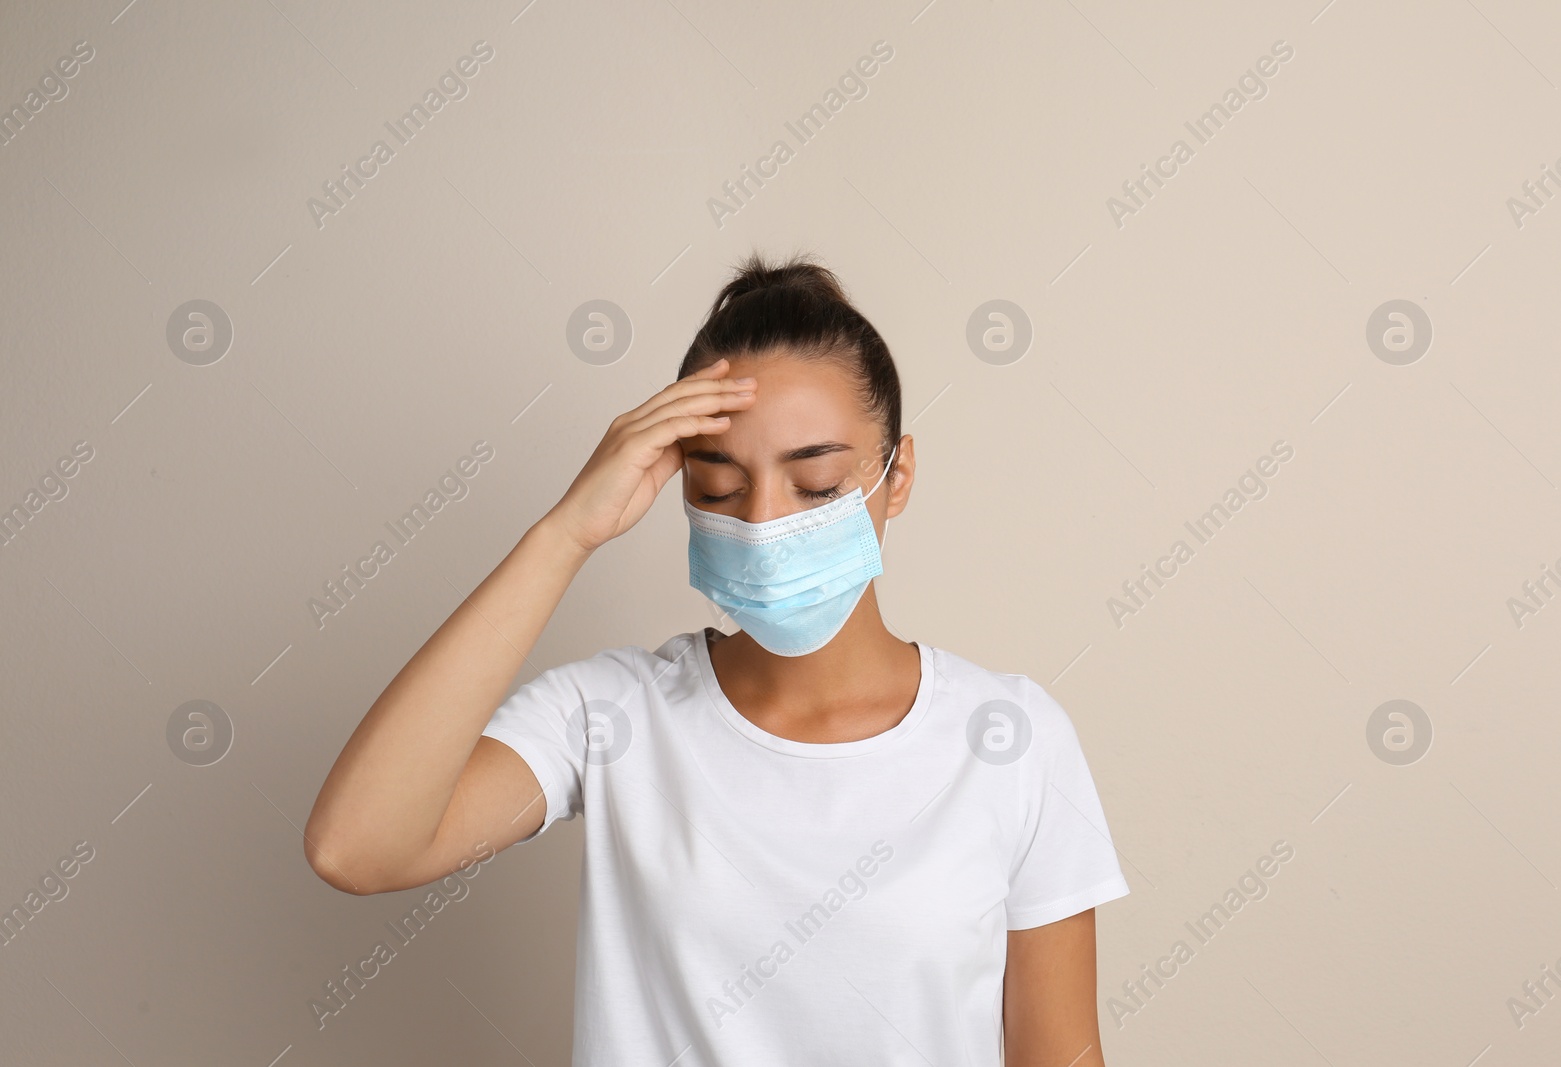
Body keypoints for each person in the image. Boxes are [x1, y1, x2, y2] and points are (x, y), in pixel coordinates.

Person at [304, 251, 1131, 1065]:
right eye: (719, 487)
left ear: (897, 474)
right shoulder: (612, 716)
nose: (767, 522)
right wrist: (565, 534)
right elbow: (358, 846)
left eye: (815, 486)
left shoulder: (1010, 737)